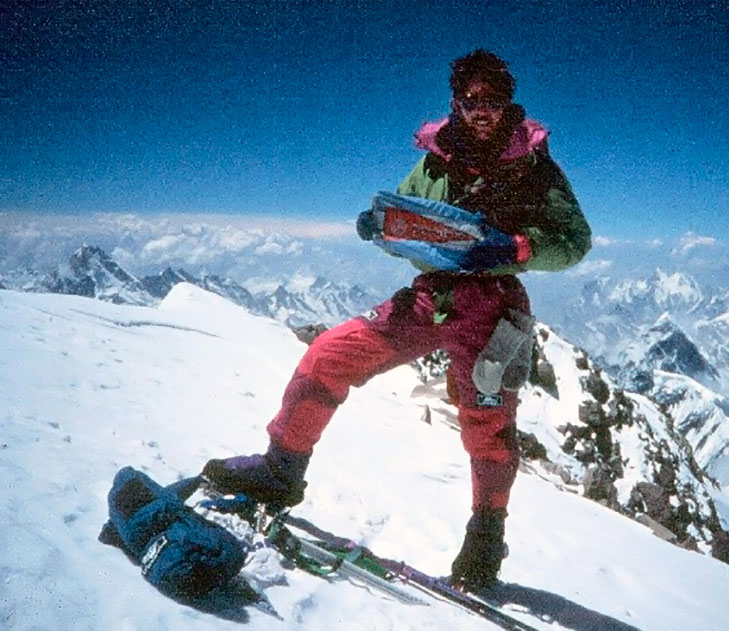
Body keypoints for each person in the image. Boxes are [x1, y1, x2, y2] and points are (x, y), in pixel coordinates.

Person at [203, 49, 591, 590]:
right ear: (456, 102)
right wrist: (381, 227)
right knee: (328, 355)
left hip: (495, 308)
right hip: (431, 297)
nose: (482, 110)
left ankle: (485, 537)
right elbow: (407, 222)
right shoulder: (434, 161)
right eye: (471, 99)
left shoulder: (533, 165)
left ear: (508, 103)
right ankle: (279, 470)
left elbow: (575, 241)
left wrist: (519, 247)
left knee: (488, 428)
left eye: (493, 99)